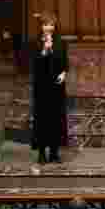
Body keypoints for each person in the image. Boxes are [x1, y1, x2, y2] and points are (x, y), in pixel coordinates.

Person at [31, 13, 69, 164]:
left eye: (51, 25)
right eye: (46, 24)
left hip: (56, 85)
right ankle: (41, 152)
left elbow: (65, 62)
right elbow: (34, 63)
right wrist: (45, 50)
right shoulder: (35, 42)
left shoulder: (61, 42)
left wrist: (64, 73)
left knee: (56, 118)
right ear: (41, 26)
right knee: (42, 118)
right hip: (42, 85)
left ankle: (54, 152)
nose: (49, 28)